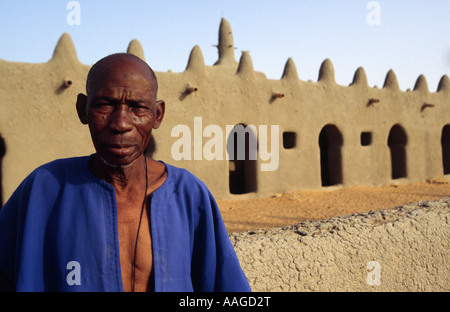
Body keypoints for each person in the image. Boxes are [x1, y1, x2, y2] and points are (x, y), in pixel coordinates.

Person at [0, 53, 251, 292]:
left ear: (158, 115)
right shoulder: (44, 189)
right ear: (82, 109)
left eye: (138, 107)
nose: (120, 124)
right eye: (105, 105)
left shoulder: (189, 195)